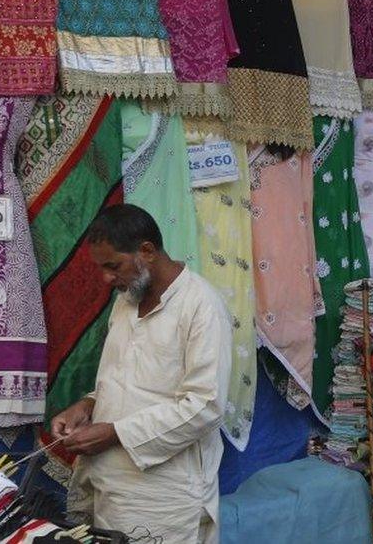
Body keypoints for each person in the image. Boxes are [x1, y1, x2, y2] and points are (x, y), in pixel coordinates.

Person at [51, 204, 232, 543]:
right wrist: (88, 404)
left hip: (163, 498)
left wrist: (115, 432)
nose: (106, 278)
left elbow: (205, 405)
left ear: (147, 251)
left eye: (113, 266)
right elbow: (129, 378)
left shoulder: (201, 306)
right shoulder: (127, 299)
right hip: (111, 486)